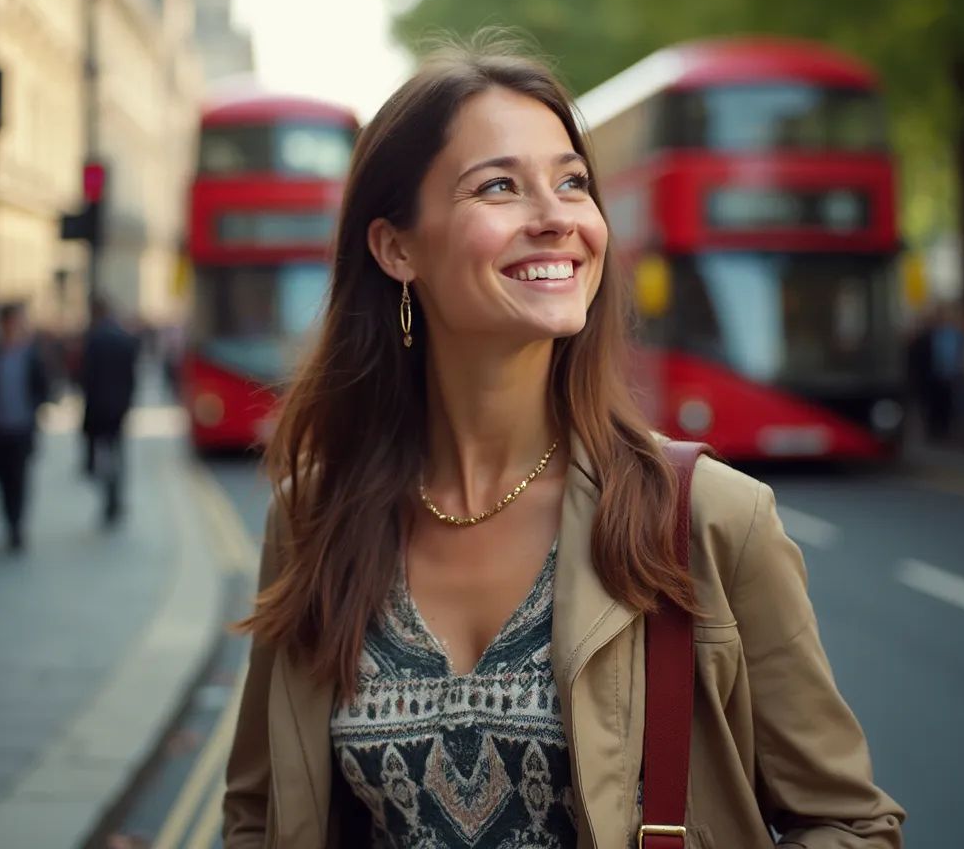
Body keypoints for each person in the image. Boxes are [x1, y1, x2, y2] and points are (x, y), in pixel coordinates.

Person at [223, 41, 904, 848]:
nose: (557, 218)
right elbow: (259, 819)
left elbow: (852, 825)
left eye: (572, 182)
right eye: (500, 186)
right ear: (396, 248)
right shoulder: (312, 517)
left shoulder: (712, 519)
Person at [0, 303, 49, 552]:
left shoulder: (30, 356)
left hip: (21, 429)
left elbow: (42, 387)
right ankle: (9, 521)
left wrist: (35, 411)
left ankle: (17, 525)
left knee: (19, 479)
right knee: (3, 481)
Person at [80, 295, 139, 526]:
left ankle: (109, 498)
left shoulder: (94, 339)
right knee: (118, 453)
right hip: (119, 408)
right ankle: (117, 496)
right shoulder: (124, 338)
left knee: (104, 454)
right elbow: (131, 377)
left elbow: (87, 378)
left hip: (99, 409)